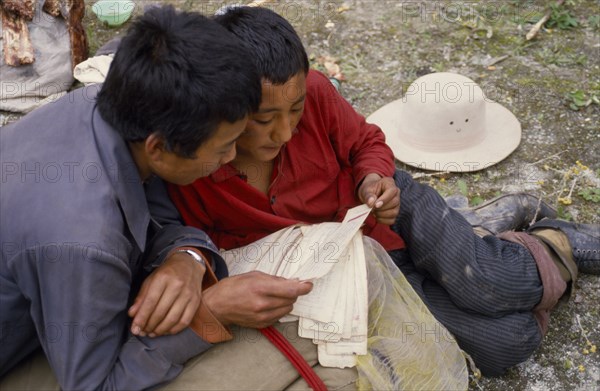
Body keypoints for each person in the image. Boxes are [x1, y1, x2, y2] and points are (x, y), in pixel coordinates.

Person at [168, 5, 600, 378]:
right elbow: (200, 248)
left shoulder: (318, 91)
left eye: (295, 111)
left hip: (387, 212)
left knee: (490, 281)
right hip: (359, 276)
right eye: (263, 119)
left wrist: (374, 178)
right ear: (224, 103)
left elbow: (368, 143)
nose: (283, 132)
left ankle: (553, 241)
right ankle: (480, 236)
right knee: (508, 341)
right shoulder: (196, 166)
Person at [0, 6, 313, 390]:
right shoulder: (84, 242)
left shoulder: (119, 100)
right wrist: (211, 311)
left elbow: (153, 208)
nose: (231, 158)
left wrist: (187, 255)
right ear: (159, 148)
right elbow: (94, 386)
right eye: (223, 148)